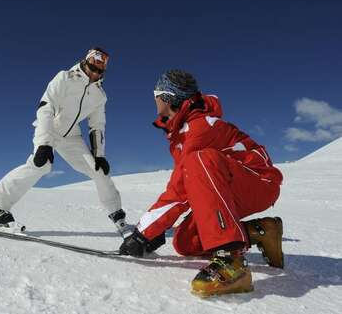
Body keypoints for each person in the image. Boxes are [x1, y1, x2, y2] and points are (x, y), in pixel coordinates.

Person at [119, 70, 284, 297]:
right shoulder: (182, 132)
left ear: (167, 98)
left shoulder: (200, 128)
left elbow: (179, 191)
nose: (154, 99)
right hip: (227, 185)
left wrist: (143, 233)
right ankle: (259, 231)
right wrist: (155, 230)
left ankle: (232, 263)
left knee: (199, 161)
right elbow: (186, 186)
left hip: (258, 183)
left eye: (156, 94)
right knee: (186, 242)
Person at [0, 47, 131, 237]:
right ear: (86, 60)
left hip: (72, 137)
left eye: (102, 66)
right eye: (94, 62)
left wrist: (99, 155)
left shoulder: (100, 95)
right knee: (41, 164)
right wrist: (44, 143)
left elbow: (97, 125)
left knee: (99, 170)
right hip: (50, 126)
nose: (97, 68)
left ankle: (118, 216)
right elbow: (45, 107)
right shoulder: (65, 77)